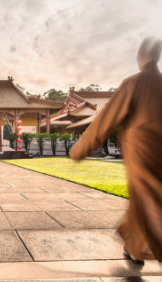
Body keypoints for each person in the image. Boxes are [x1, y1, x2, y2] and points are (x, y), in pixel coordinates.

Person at [69, 36, 162, 264]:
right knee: (143, 202)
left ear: (142, 56)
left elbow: (106, 120)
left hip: (142, 153)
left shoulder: (134, 83)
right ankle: (133, 247)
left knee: (150, 203)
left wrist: (80, 148)